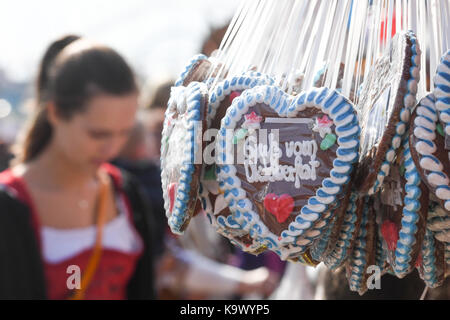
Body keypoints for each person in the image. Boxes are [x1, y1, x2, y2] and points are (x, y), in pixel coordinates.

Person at [0, 35, 156, 299]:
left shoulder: (125, 192)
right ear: (56, 113)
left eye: (123, 133)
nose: (112, 149)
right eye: (98, 134)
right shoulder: (8, 206)